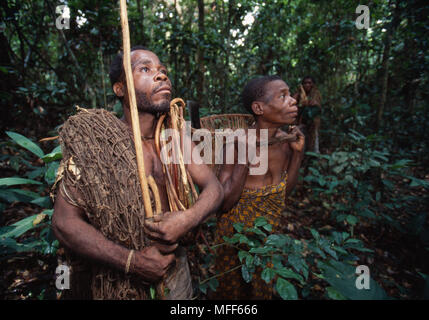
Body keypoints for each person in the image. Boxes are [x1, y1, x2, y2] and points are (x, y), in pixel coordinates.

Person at [51, 46, 223, 299]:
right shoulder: (98, 143)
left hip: (176, 271)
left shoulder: (174, 140)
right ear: (120, 89)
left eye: (162, 70)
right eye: (145, 69)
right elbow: (64, 223)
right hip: (120, 278)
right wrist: (133, 262)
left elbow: (214, 188)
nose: (161, 75)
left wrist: (188, 218)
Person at [212, 75, 305, 299]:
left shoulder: (286, 141)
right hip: (234, 234)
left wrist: (298, 155)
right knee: (232, 288)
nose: (293, 100)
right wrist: (245, 156)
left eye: (290, 94)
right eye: (283, 96)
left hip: (267, 232)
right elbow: (224, 203)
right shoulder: (236, 142)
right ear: (259, 108)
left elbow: (283, 194)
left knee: (262, 287)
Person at [292, 76, 322, 153]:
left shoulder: (316, 94)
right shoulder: (299, 93)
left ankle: (314, 156)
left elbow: (317, 107)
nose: (307, 85)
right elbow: (293, 103)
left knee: (313, 139)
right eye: (305, 83)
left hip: (312, 122)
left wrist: (310, 104)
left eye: (309, 83)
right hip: (300, 121)